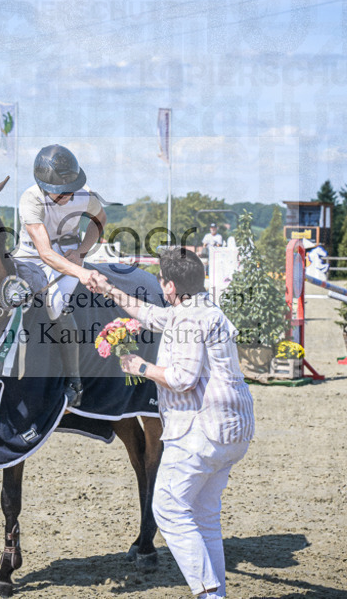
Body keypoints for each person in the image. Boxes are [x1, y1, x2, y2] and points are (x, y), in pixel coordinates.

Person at [104, 248, 254, 599]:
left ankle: (208, 592)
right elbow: (150, 314)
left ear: (170, 285)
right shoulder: (199, 308)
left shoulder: (187, 319)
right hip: (230, 431)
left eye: (161, 281)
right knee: (204, 518)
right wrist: (108, 288)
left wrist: (140, 367)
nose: (159, 287)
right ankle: (216, 595)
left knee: (168, 508)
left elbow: (182, 378)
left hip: (201, 431)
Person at [12, 144, 109, 406]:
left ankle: (74, 383)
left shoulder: (84, 195)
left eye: (71, 188)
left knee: (55, 303)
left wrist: (81, 252)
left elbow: (100, 219)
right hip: (31, 255)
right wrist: (81, 271)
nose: (68, 195)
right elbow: (44, 253)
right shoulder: (30, 199)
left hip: (67, 254)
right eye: (61, 192)